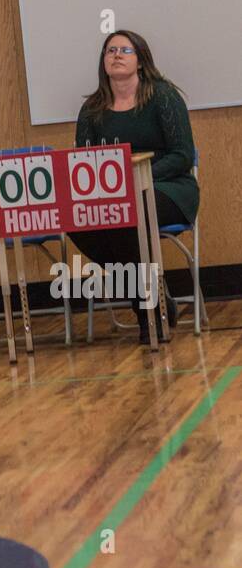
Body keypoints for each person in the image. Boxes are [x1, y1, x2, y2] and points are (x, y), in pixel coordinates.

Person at [66, 30, 199, 342]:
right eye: (110, 50)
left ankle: (149, 313)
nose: (116, 55)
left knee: (127, 214)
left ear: (140, 60)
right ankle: (152, 302)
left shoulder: (163, 97)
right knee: (77, 218)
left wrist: (139, 179)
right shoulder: (92, 109)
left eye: (125, 50)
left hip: (169, 188)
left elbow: (181, 155)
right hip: (117, 197)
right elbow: (85, 163)